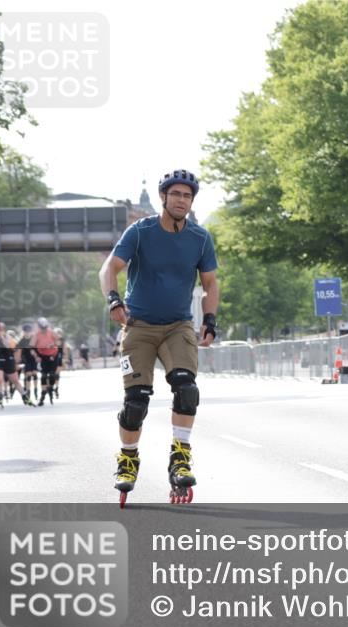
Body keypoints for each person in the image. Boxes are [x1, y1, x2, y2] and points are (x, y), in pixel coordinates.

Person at [98, 168, 219, 504]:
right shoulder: (141, 230)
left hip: (178, 326)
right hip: (138, 326)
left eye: (187, 195)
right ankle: (128, 458)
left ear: (192, 201)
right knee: (136, 401)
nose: (181, 200)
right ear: (163, 197)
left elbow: (210, 284)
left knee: (186, 388)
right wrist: (113, 299)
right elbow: (109, 267)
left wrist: (209, 318)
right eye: (176, 194)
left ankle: (180, 456)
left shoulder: (199, 238)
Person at [32, 317, 60, 406]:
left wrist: (53, 344)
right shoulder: (36, 335)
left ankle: (51, 387)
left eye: (45, 328)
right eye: (42, 328)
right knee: (43, 375)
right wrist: (36, 356)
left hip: (52, 355)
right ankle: (43, 395)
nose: (44, 330)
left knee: (52, 374)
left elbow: (59, 341)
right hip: (43, 356)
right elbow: (32, 347)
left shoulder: (51, 332)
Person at [18, 323, 40, 401]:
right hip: (26, 360)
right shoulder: (22, 341)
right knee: (28, 375)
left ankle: (36, 390)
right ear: (23, 332)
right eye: (25, 331)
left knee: (34, 374)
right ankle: (28, 392)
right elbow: (18, 352)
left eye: (28, 331)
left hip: (33, 359)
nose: (27, 333)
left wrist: (36, 354)